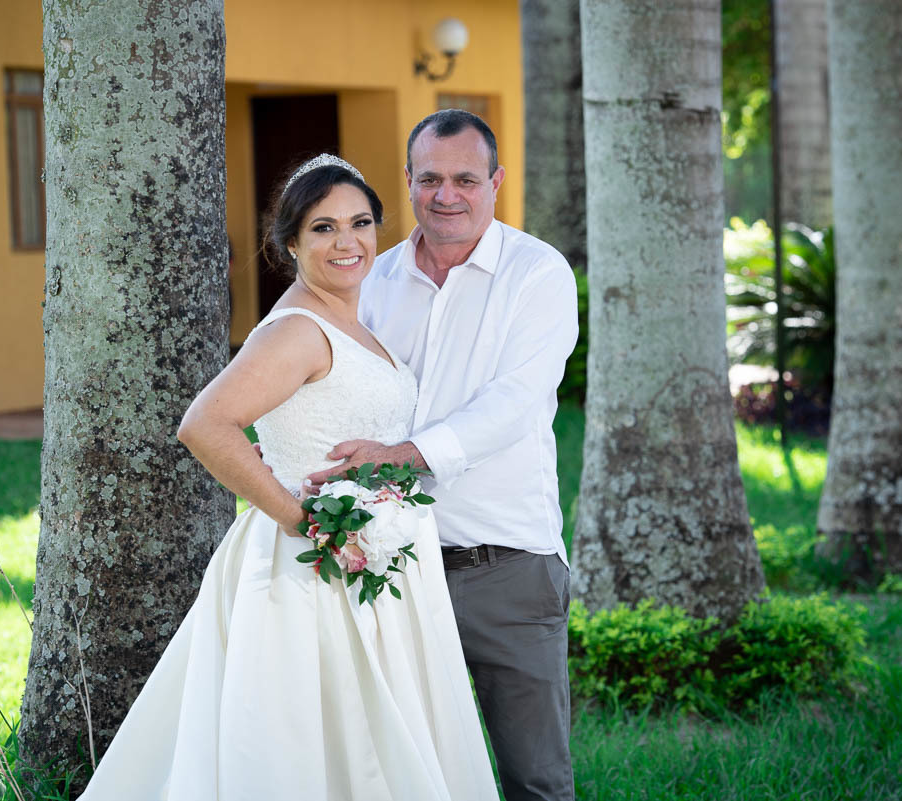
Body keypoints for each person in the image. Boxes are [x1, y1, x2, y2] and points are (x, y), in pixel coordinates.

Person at [76, 155, 500, 801]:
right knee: (317, 736)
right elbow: (206, 424)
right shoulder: (298, 329)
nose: (347, 241)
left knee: (366, 734)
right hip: (311, 570)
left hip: (367, 561)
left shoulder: (348, 321)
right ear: (291, 242)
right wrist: (305, 519)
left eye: (359, 223)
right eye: (323, 228)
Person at [305, 110, 579, 801]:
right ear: (407, 181)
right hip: (384, 565)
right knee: (399, 775)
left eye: (465, 178)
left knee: (535, 777)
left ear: (496, 182)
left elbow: (514, 403)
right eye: (430, 178)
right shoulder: (373, 278)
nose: (446, 194)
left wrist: (404, 455)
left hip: (505, 566)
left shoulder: (537, 274)